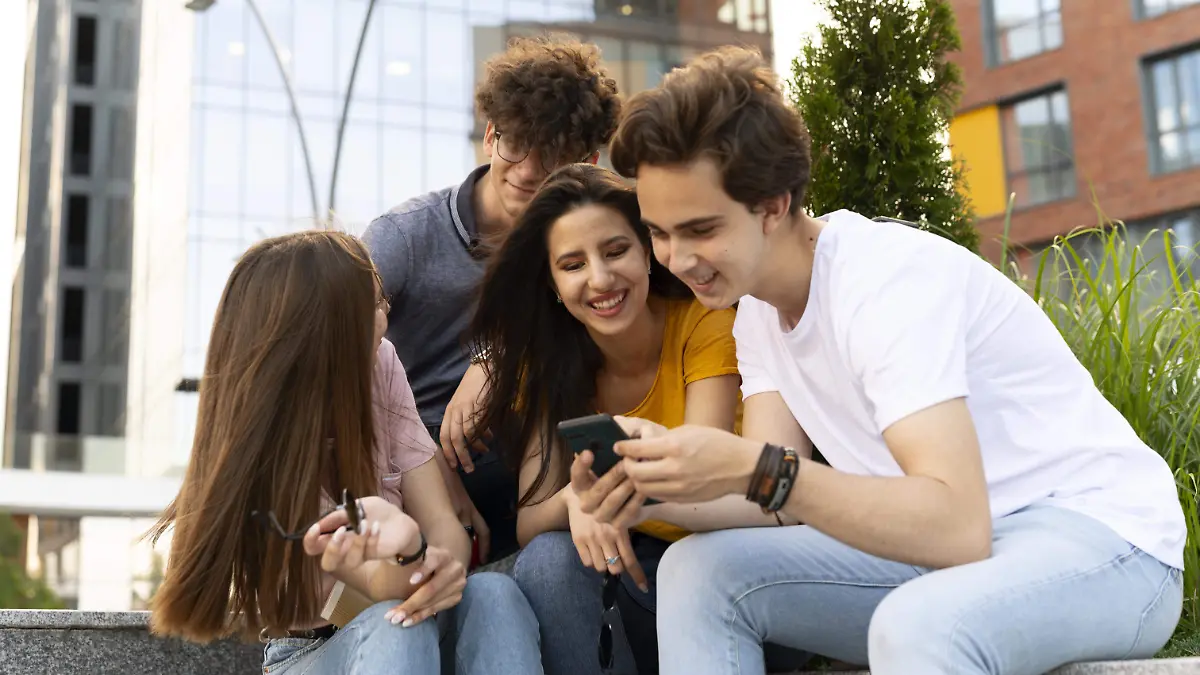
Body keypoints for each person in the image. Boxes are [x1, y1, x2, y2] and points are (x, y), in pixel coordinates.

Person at [573, 45, 1187, 675]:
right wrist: (646, 486)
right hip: (952, 555)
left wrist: (758, 468)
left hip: (1103, 544)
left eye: (701, 230)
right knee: (699, 571)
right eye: (661, 232)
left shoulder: (882, 282)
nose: (676, 259)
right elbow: (769, 500)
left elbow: (955, 525)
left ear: (774, 204)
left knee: (917, 624)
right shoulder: (756, 309)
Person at [146, 231, 542, 675]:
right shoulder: (267, 461)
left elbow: (444, 527)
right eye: (373, 305)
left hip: (416, 618)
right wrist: (413, 555)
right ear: (325, 331)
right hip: (312, 651)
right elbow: (368, 595)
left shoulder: (381, 365)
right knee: (394, 626)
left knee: (494, 594)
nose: (387, 314)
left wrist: (438, 564)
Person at [468, 164, 801, 675]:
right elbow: (533, 519)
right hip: (626, 580)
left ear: (648, 252)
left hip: (722, 567)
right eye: (573, 264)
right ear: (553, 283)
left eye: (616, 250)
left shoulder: (704, 322)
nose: (600, 279)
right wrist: (579, 500)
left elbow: (701, 480)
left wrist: (612, 499)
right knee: (548, 562)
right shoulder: (546, 360)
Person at [362, 34, 623, 565]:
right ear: (489, 134)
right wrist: (425, 464)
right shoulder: (406, 236)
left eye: (550, 156)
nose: (526, 170)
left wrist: (494, 356)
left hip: (527, 460)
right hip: (397, 457)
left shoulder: (589, 247)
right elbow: (329, 351)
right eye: (515, 144)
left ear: (587, 162)